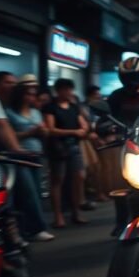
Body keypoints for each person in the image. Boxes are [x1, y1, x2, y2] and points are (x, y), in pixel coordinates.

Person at [6, 83, 53, 241]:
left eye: (33, 94)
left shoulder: (35, 112)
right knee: (29, 192)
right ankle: (37, 228)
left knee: (37, 192)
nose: (32, 97)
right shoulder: (10, 113)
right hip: (20, 157)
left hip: (37, 154)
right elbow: (10, 136)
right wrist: (30, 132)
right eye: (28, 94)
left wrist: (43, 132)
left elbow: (44, 133)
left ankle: (28, 228)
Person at [43, 78, 90, 228]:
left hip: (74, 147)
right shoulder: (50, 107)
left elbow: (83, 124)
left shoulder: (73, 107)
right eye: (65, 89)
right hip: (58, 148)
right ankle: (58, 216)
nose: (68, 92)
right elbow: (51, 129)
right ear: (58, 91)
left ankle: (76, 211)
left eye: (70, 89)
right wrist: (74, 131)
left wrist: (83, 130)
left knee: (79, 178)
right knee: (58, 181)